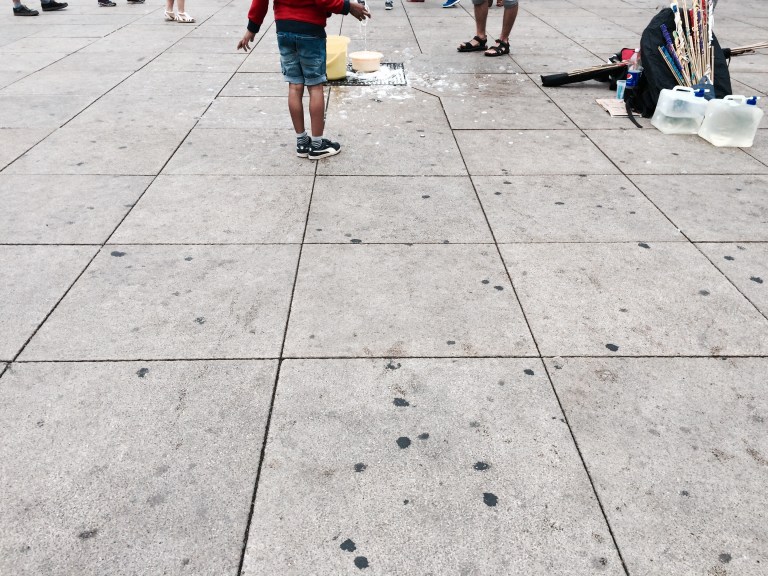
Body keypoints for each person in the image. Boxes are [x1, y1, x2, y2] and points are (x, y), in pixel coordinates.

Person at [237, 0, 370, 159]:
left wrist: (252, 28)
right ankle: (317, 145)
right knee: (315, 86)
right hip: (310, 30)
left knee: (294, 85)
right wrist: (348, 7)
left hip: (284, 29)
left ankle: (302, 142)